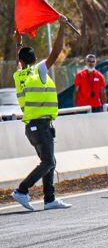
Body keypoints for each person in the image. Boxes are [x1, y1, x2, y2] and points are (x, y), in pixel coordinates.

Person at [10, 22, 71, 211]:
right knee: (49, 162)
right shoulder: (39, 71)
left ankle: (49, 199)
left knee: (49, 162)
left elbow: (21, 60)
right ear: (36, 60)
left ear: (21, 61)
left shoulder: (19, 75)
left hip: (32, 127)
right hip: (41, 125)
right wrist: (62, 27)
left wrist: (18, 42)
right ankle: (22, 190)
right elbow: (57, 50)